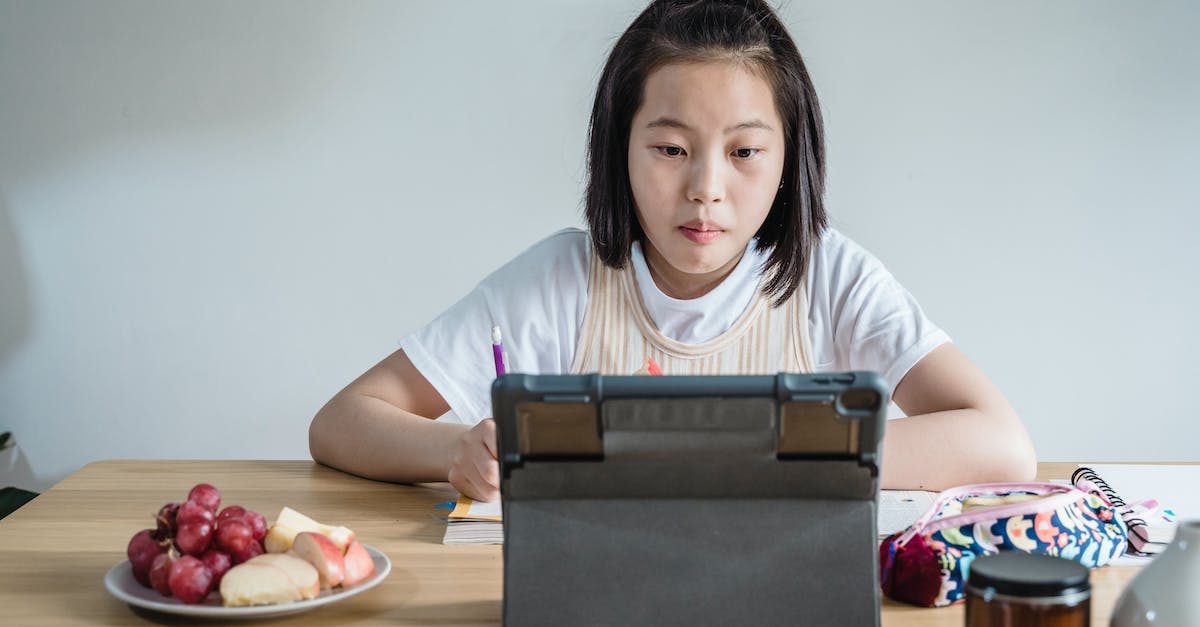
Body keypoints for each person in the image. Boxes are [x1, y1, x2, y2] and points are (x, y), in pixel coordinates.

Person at [309, 0, 1037, 501]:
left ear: (791, 158)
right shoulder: (562, 281)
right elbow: (341, 421)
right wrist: (455, 451)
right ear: (618, 148)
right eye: (670, 148)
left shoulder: (831, 278)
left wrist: (777, 450)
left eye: (744, 151)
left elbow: (1001, 444)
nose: (705, 189)